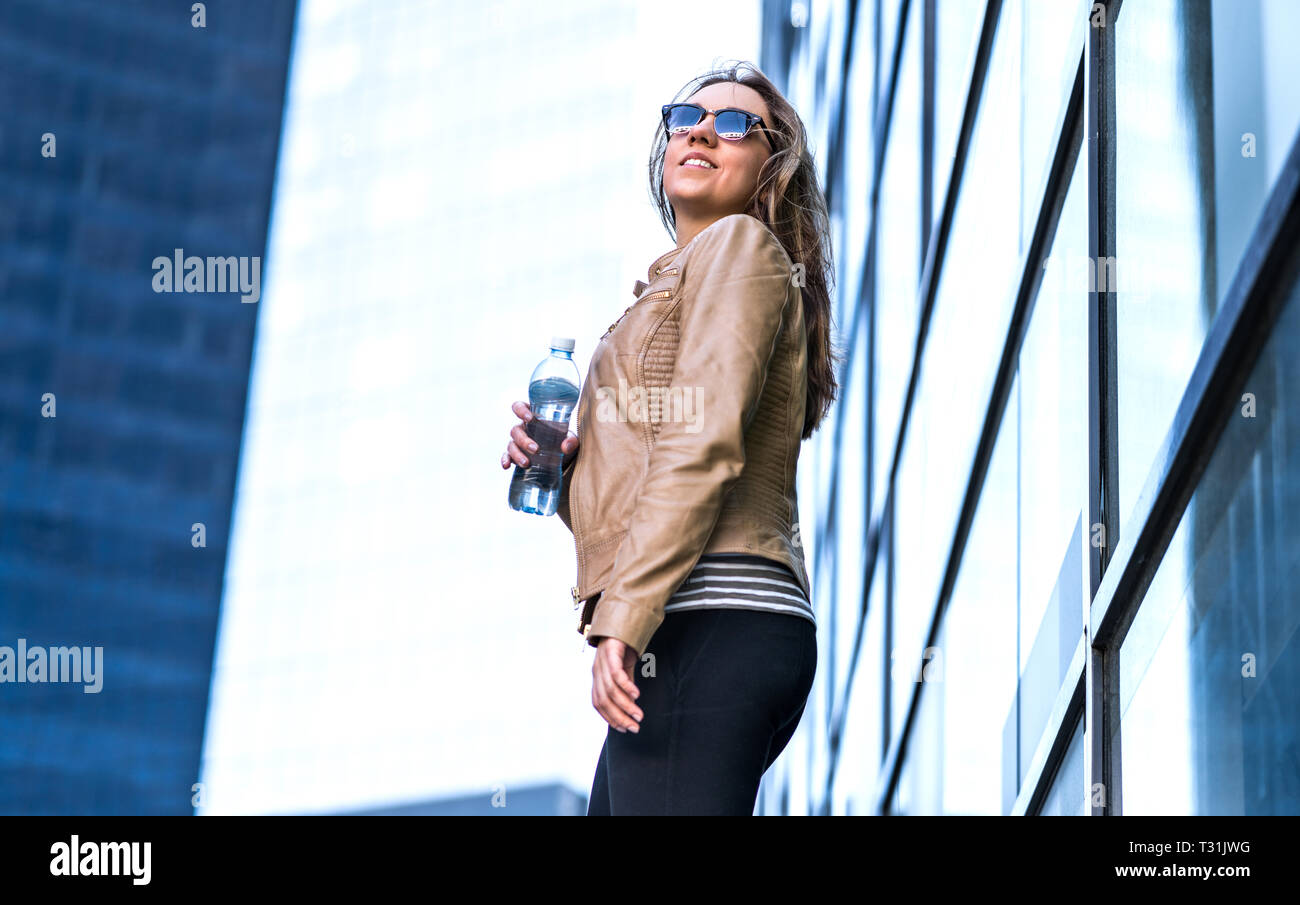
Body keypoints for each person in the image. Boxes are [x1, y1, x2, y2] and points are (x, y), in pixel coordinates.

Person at [500, 60, 839, 814]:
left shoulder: (739, 249)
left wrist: (623, 615)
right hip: (686, 623)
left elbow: (703, 443)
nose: (699, 133)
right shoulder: (671, 288)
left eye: (731, 124)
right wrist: (565, 464)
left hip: (712, 612)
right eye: (685, 118)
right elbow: (654, 467)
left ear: (770, 164)